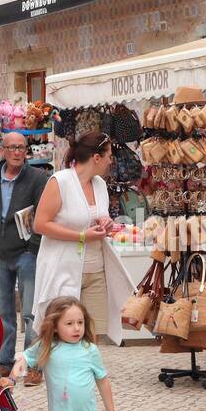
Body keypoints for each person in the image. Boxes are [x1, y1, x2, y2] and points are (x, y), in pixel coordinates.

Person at [32, 129, 134, 346]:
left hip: (96, 270)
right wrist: (80, 236)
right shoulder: (59, 182)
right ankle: (47, 370)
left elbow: (99, 216)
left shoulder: (100, 185)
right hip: (64, 270)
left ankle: (86, 377)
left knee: (92, 337)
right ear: (96, 158)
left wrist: (106, 223)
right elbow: (40, 224)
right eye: (108, 156)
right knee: (61, 336)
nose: (110, 161)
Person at [0, 132, 50, 383]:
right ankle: (5, 362)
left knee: (30, 313)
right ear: (2, 151)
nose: (18, 152)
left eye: (21, 147)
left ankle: (31, 365)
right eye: (12, 148)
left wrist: (33, 247)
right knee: (3, 313)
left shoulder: (38, 178)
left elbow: (44, 215)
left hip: (26, 254)